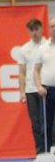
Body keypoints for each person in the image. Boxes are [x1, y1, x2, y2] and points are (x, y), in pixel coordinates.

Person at [19, 18, 50, 154]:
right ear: (29, 32)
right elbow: (21, 72)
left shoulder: (49, 45)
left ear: (42, 29)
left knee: (49, 122)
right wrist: (21, 92)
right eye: (32, 30)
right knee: (36, 123)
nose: (34, 32)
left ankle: (51, 150)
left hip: (47, 88)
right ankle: (40, 153)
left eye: (37, 29)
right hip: (31, 90)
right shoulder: (24, 49)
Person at [33, 18, 55, 154]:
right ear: (49, 29)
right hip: (47, 91)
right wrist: (39, 86)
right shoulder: (42, 48)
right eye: (52, 26)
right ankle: (46, 155)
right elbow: (36, 70)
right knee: (45, 126)